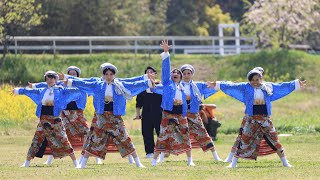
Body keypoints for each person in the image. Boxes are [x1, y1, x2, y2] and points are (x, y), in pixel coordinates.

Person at [209, 69, 306, 168]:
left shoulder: (268, 86)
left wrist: (295, 83)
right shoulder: (245, 87)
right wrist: (218, 84)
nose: (255, 82)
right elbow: (231, 86)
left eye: (257, 79)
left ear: (261, 78)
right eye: (252, 80)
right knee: (244, 140)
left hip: (265, 118)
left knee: (274, 140)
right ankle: (233, 164)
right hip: (251, 119)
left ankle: (285, 163)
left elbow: (282, 86)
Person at [66, 63, 155, 168]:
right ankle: (82, 164)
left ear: (114, 75)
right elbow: (84, 83)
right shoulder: (98, 84)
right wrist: (69, 80)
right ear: (103, 75)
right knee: (94, 140)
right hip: (101, 117)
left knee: (125, 139)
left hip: (115, 117)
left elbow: (133, 83)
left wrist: (148, 82)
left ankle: (138, 163)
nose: (109, 76)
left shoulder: (119, 84)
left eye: (111, 74)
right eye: (106, 74)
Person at [12, 71, 81, 167]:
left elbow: (76, 90)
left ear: (56, 79)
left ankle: (76, 163)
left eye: (52, 78)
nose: (49, 80)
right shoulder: (42, 90)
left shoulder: (61, 90)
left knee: (63, 139)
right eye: (47, 79)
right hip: (43, 119)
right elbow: (30, 91)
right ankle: (26, 163)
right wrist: (18, 90)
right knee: (36, 139)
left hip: (56, 119)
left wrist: (71, 82)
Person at [31, 66, 91, 165]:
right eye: (70, 74)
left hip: (77, 113)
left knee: (86, 133)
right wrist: (33, 86)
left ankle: (88, 158)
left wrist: (69, 77)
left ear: (77, 75)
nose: (72, 76)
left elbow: (89, 83)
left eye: (74, 74)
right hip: (64, 113)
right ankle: (50, 159)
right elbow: (46, 84)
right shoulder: (61, 84)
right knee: (56, 135)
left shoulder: (80, 84)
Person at [151, 40, 193, 166]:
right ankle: (154, 160)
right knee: (162, 136)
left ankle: (190, 160)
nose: (175, 73)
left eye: (177, 73)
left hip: (180, 114)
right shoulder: (167, 83)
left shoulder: (183, 86)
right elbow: (166, 69)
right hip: (168, 114)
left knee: (185, 135)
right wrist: (166, 52)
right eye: (173, 72)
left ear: (181, 77)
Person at [224, 67, 276, 162]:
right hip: (250, 117)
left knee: (269, 137)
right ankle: (230, 157)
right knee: (242, 136)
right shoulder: (249, 87)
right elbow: (237, 87)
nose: (259, 76)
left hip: (263, 116)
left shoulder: (267, 87)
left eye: (261, 73)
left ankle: (280, 156)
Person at [134, 66, 162, 159]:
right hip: (146, 112)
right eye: (147, 73)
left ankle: (161, 151)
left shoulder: (160, 85)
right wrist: (138, 114)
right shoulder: (143, 86)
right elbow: (138, 102)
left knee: (160, 132)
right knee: (146, 132)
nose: (149, 74)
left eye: (151, 72)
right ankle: (149, 152)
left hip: (159, 112)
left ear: (155, 74)